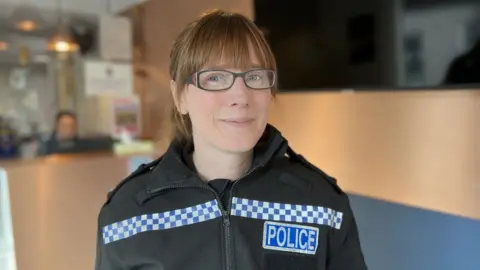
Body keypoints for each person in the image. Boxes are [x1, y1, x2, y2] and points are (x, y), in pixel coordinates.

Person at [95, 9, 367, 270]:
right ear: (180, 96)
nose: (241, 96)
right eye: (215, 77)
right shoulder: (127, 214)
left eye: (255, 76)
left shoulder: (319, 202)